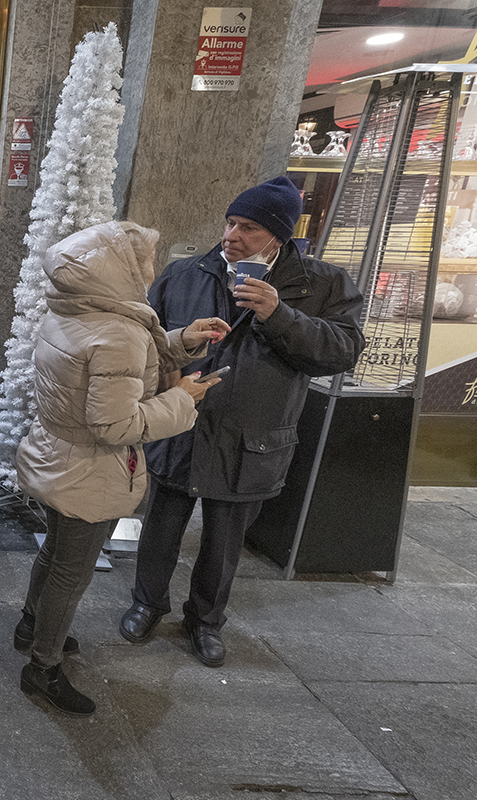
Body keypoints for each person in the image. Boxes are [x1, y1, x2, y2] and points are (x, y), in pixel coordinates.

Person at [118, 177, 364, 668]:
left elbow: (344, 350)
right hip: (181, 426)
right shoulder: (186, 273)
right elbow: (145, 337)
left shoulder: (321, 284)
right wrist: (169, 371)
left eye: (248, 227)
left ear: (279, 235)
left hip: (253, 437)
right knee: (161, 527)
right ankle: (147, 603)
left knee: (224, 540)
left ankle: (205, 621)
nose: (231, 235)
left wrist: (280, 315)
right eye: (230, 222)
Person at [14, 220, 229, 715]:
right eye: (142, 262)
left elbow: (119, 365)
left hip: (55, 456)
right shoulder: (118, 332)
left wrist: (182, 340)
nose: (149, 271)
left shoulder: (74, 310)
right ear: (118, 269)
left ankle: (32, 622)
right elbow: (116, 424)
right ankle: (42, 666)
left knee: (56, 552)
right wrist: (181, 398)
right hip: (91, 471)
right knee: (73, 570)